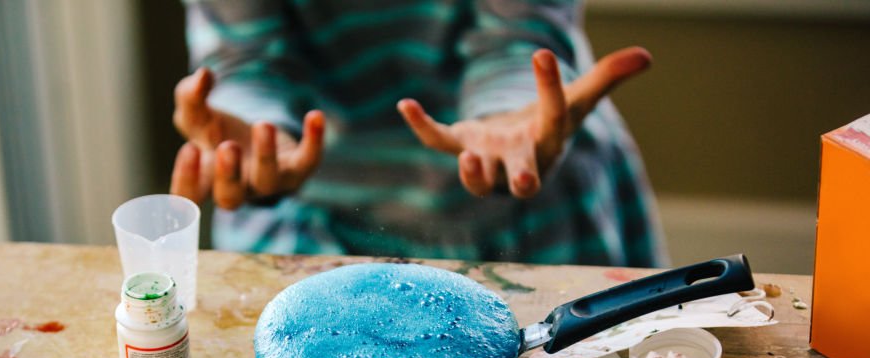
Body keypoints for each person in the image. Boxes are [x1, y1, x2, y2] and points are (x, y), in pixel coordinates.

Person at [170, 1, 666, 266]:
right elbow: (245, 60)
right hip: (308, 224)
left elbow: (519, 39)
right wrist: (254, 135)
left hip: (527, 213)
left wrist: (506, 119)